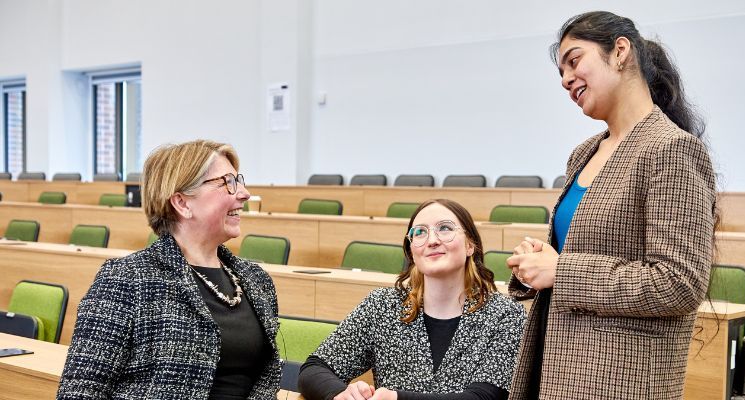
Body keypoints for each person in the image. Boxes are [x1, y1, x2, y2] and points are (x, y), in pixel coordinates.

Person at [506, 11, 717, 400]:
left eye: (574, 60)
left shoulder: (671, 149)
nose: (567, 80)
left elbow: (679, 283)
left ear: (620, 51)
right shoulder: (584, 153)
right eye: (561, 74)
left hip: (621, 377)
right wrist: (540, 261)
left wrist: (561, 270)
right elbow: (581, 253)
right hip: (555, 364)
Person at [57, 140, 282, 399]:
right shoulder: (126, 279)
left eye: (239, 181)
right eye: (227, 182)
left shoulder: (256, 281)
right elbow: (79, 392)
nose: (243, 193)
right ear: (182, 203)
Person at [298, 199, 526, 400]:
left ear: (470, 245)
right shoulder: (382, 305)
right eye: (420, 232)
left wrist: (396, 398)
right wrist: (341, 393)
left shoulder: (504, 314)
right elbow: (314, 369)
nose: (432, 240)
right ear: (412, 251)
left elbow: (484, 397)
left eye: (445, 229)